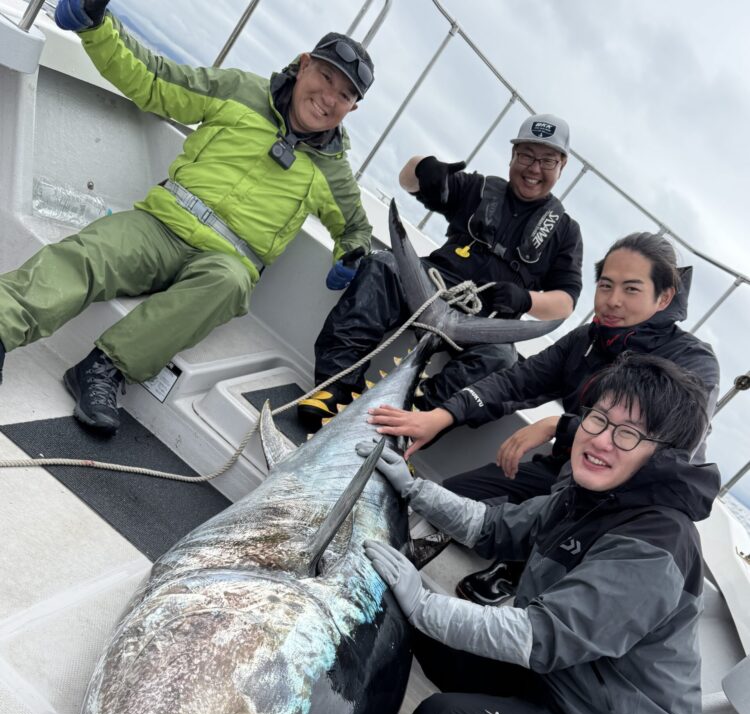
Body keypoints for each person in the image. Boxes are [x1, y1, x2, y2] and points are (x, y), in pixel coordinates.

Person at [359, 352, 719, 714]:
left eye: (629, 434)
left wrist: (425, 604)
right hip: (563, 690)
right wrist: (413, 488)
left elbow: (543, 637)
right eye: (599, 419)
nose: (601, 440)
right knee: (430, 632)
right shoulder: (592, 498)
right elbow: (494, 527)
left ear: (662, 456)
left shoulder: (656, 543)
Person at [0, 0, 373, 434]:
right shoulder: (241, 90)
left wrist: (352, 254)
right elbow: (157, 81)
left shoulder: (335, 173)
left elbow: (355, 228)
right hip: (162, 225)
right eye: (326, 77)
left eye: (345, 95)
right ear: (304, 64)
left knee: (232, 283)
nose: (329, 98)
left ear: (352, 109)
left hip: (223, 264)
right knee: (90, 254)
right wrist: (95, 27)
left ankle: (104, 370)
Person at [367, 232, 720, 603]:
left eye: (631, 289)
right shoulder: (587, 339)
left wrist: (558, 425)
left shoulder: (694, 363)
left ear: (664, 297)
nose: (613, 300)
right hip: (567, 474)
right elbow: (517, 381)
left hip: (628, 505)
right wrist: (443, 414)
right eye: (606, 285)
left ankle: (521, 568)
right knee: (449, 498)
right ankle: (521, 548)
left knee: (542, 544)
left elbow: (669, 452)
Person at [297, 113, 583, 428]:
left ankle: (407, 421)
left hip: (484, 323)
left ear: (562, 165)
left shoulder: (565, 232)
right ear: (513, 155)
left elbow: (565, 303)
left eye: (547, 160)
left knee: (501, 359)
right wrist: (423, 166)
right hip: (428, 290)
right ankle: (335, 387)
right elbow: (408, 180)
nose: (534, 169)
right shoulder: (478, 189)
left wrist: (524, 299)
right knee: (382, 265)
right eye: (526, 155)